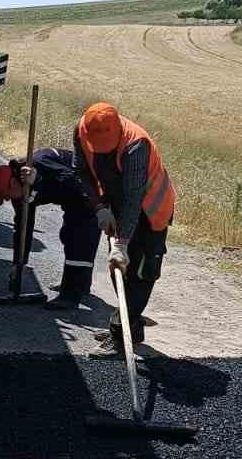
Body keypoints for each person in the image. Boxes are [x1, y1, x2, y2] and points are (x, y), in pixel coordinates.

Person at [72, 101, 175, 353]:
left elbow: (133, 198)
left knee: (141, 272)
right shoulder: (82, 130)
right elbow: (80, 171)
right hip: (118, 206)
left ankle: (119, 337)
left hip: (151, 210)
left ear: (118, 132)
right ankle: (131, 327)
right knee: (119, 269)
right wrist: (99, 207)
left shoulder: (135, 144)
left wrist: (121, 243)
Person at [0, 147, 100, 308]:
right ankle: (79, 285)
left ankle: (70, 296)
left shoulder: (40, 163)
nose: (5, 199)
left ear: (12, 183)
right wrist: (18, 263)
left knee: (79, 240)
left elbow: (74, 181)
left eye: (4, 195)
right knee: (68, 236)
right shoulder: (18, 192)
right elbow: (23, 227)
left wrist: (38, 180)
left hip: (90, 193)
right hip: (71, 200)